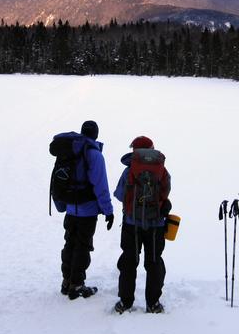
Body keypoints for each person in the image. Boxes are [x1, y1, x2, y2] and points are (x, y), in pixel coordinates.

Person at [49, 120, 114, 300]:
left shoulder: (69, 151)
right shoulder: (94, 154)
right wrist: (108, 211)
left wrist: (61, 205)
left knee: (69, 243)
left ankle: (66, 281)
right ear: (96, 134)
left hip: (70, 208)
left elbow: (59, 180)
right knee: (82, 246)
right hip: (87, 209)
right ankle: (76, 285)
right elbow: (101, 186)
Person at [113, 136, 171, 314]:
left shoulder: (129, 170)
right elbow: (166, 191)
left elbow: (119, 194)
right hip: (156, 225)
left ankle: (125, 302)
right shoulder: (162, 169)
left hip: (131, 224)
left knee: (129, 261)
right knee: (154, 262)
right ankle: (153, 304)